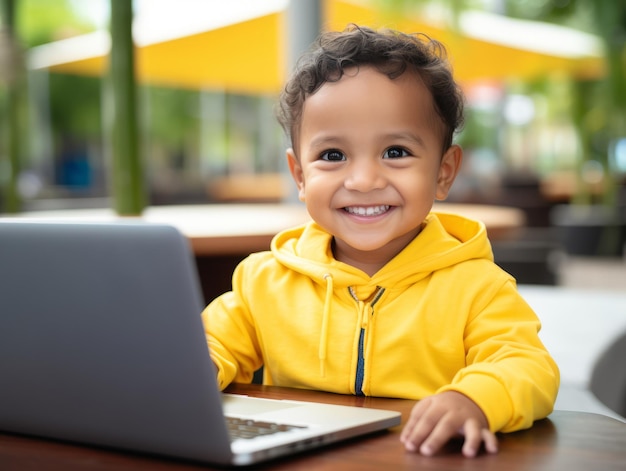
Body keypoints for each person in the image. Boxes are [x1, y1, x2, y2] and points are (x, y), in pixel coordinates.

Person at [202, 25, 559, 458]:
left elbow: (528, 367)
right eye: (333, 155)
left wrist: (475, 400)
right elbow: (206, 343)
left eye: (395, 151)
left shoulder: (479, 288)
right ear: (300, 175)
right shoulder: (262, 282)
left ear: (444, 172)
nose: (364, 181)